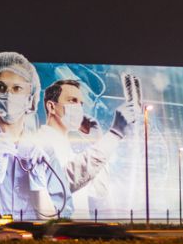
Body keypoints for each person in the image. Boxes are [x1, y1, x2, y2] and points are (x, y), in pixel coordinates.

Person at [0, 52, 52, 219]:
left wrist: (39, 183)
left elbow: (50, 221)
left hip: (29, 241)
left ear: (31, 96)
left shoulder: (41, 149)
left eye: (17, 88)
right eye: (0, 87)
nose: (9, 95)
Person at [36, 79, 138, 217]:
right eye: (72, 100)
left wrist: (96, 141)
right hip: (55, 229)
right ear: (52, 107)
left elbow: (99, 190)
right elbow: (63, 181)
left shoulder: (67, 148)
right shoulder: (39, 143)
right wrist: (114, 133)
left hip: (76, 228)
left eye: (81, 103)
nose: (79, 108)